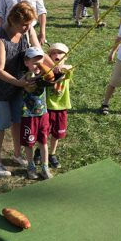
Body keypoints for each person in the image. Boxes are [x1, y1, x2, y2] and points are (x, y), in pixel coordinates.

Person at [0, 1, 47, 177]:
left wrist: (52, 69)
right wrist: (20, 83)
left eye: (30, 24)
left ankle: (18, 154)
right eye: (24, 24)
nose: (28, 27)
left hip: (17, 82)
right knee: (1, 122)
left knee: (18, 119)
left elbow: (38, 52)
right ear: (13, 21)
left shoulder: (25, 32)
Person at [20, 46, 53, 180]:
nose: (38, 65)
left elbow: (50, 77)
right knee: (29, 143)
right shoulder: (26, 76)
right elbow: (29, 85)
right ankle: (31, 166)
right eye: (35, 62)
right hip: (29, 116)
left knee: (44, 142)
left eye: (41, 61)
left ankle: (45, 167)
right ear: (26, 62)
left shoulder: (44, 75)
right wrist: (35, 78)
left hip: (43, 114)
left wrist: (41, 65)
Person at [44, 42, 72, 170]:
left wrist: (60, 69)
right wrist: (51, 69)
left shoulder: (68, 69)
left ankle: (52, 154)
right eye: (53, 53)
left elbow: (69, 68)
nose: (56, 55)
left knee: (57, 134)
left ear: (65, 56)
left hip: (61, 107)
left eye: (60, 53)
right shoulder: (45, 69)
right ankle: (40, 151)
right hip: (47, 107)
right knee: (43, 132)